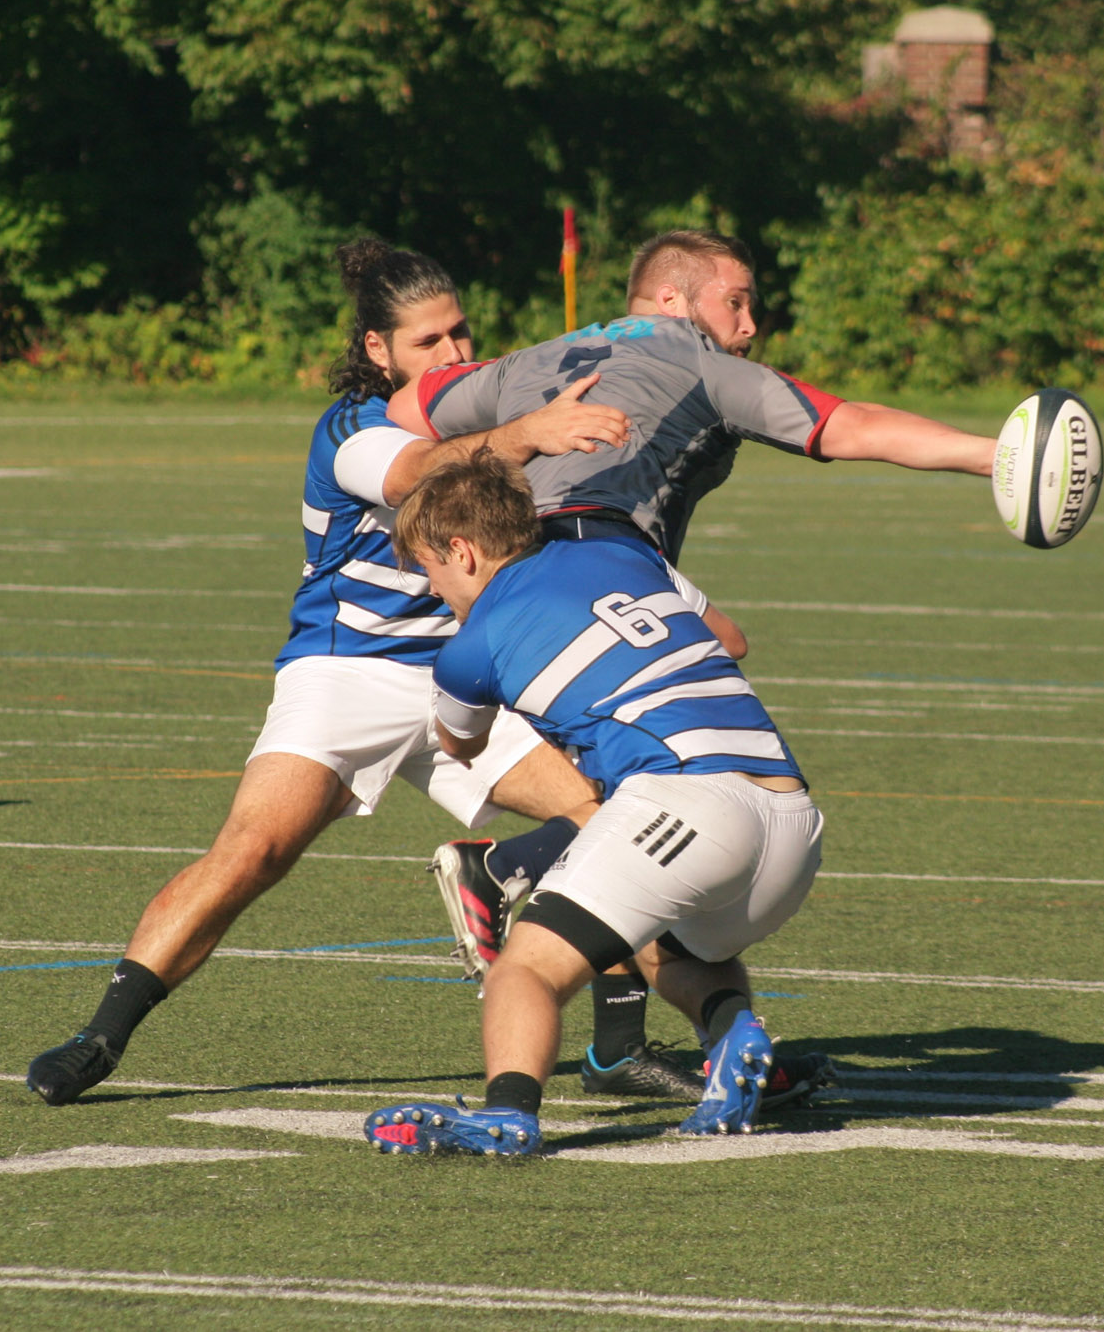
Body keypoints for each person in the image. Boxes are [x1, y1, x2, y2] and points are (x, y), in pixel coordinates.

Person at [23, 237, 633, 1106]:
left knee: (612, 816)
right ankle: (99, 1036)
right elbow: (418, 470)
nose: (455, 356)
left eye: (460, 334)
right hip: (348, 672)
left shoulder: (493, 401)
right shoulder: (354, 427)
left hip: (466, 673)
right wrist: (526, 435)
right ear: (379, 352)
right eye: (428, 344)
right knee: (252, 852)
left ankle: (616, 1041)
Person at [405, 229, 993, 1102]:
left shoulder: (530, 359)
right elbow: (847, 426)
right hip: (610, 562)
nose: (750, 324)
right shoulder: (700, 361)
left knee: (633, 784)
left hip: (541, 565)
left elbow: (408, 414)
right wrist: (994, 457)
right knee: (664, 738)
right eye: (737, 300)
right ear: (675, 302)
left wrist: (513, 436)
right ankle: (592, 987)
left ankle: (521, 894)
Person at [365, 451, 823, 1155]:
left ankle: (509, 1111)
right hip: (793, 822)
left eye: (429, 566)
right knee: (663, 937)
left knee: (527, 968)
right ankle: (734, 1028)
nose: (431, 587)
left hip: (684, 801)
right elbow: (730, 639)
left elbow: (459, 742)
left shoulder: (471, 645)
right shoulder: (621, 550)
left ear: (463, 550)